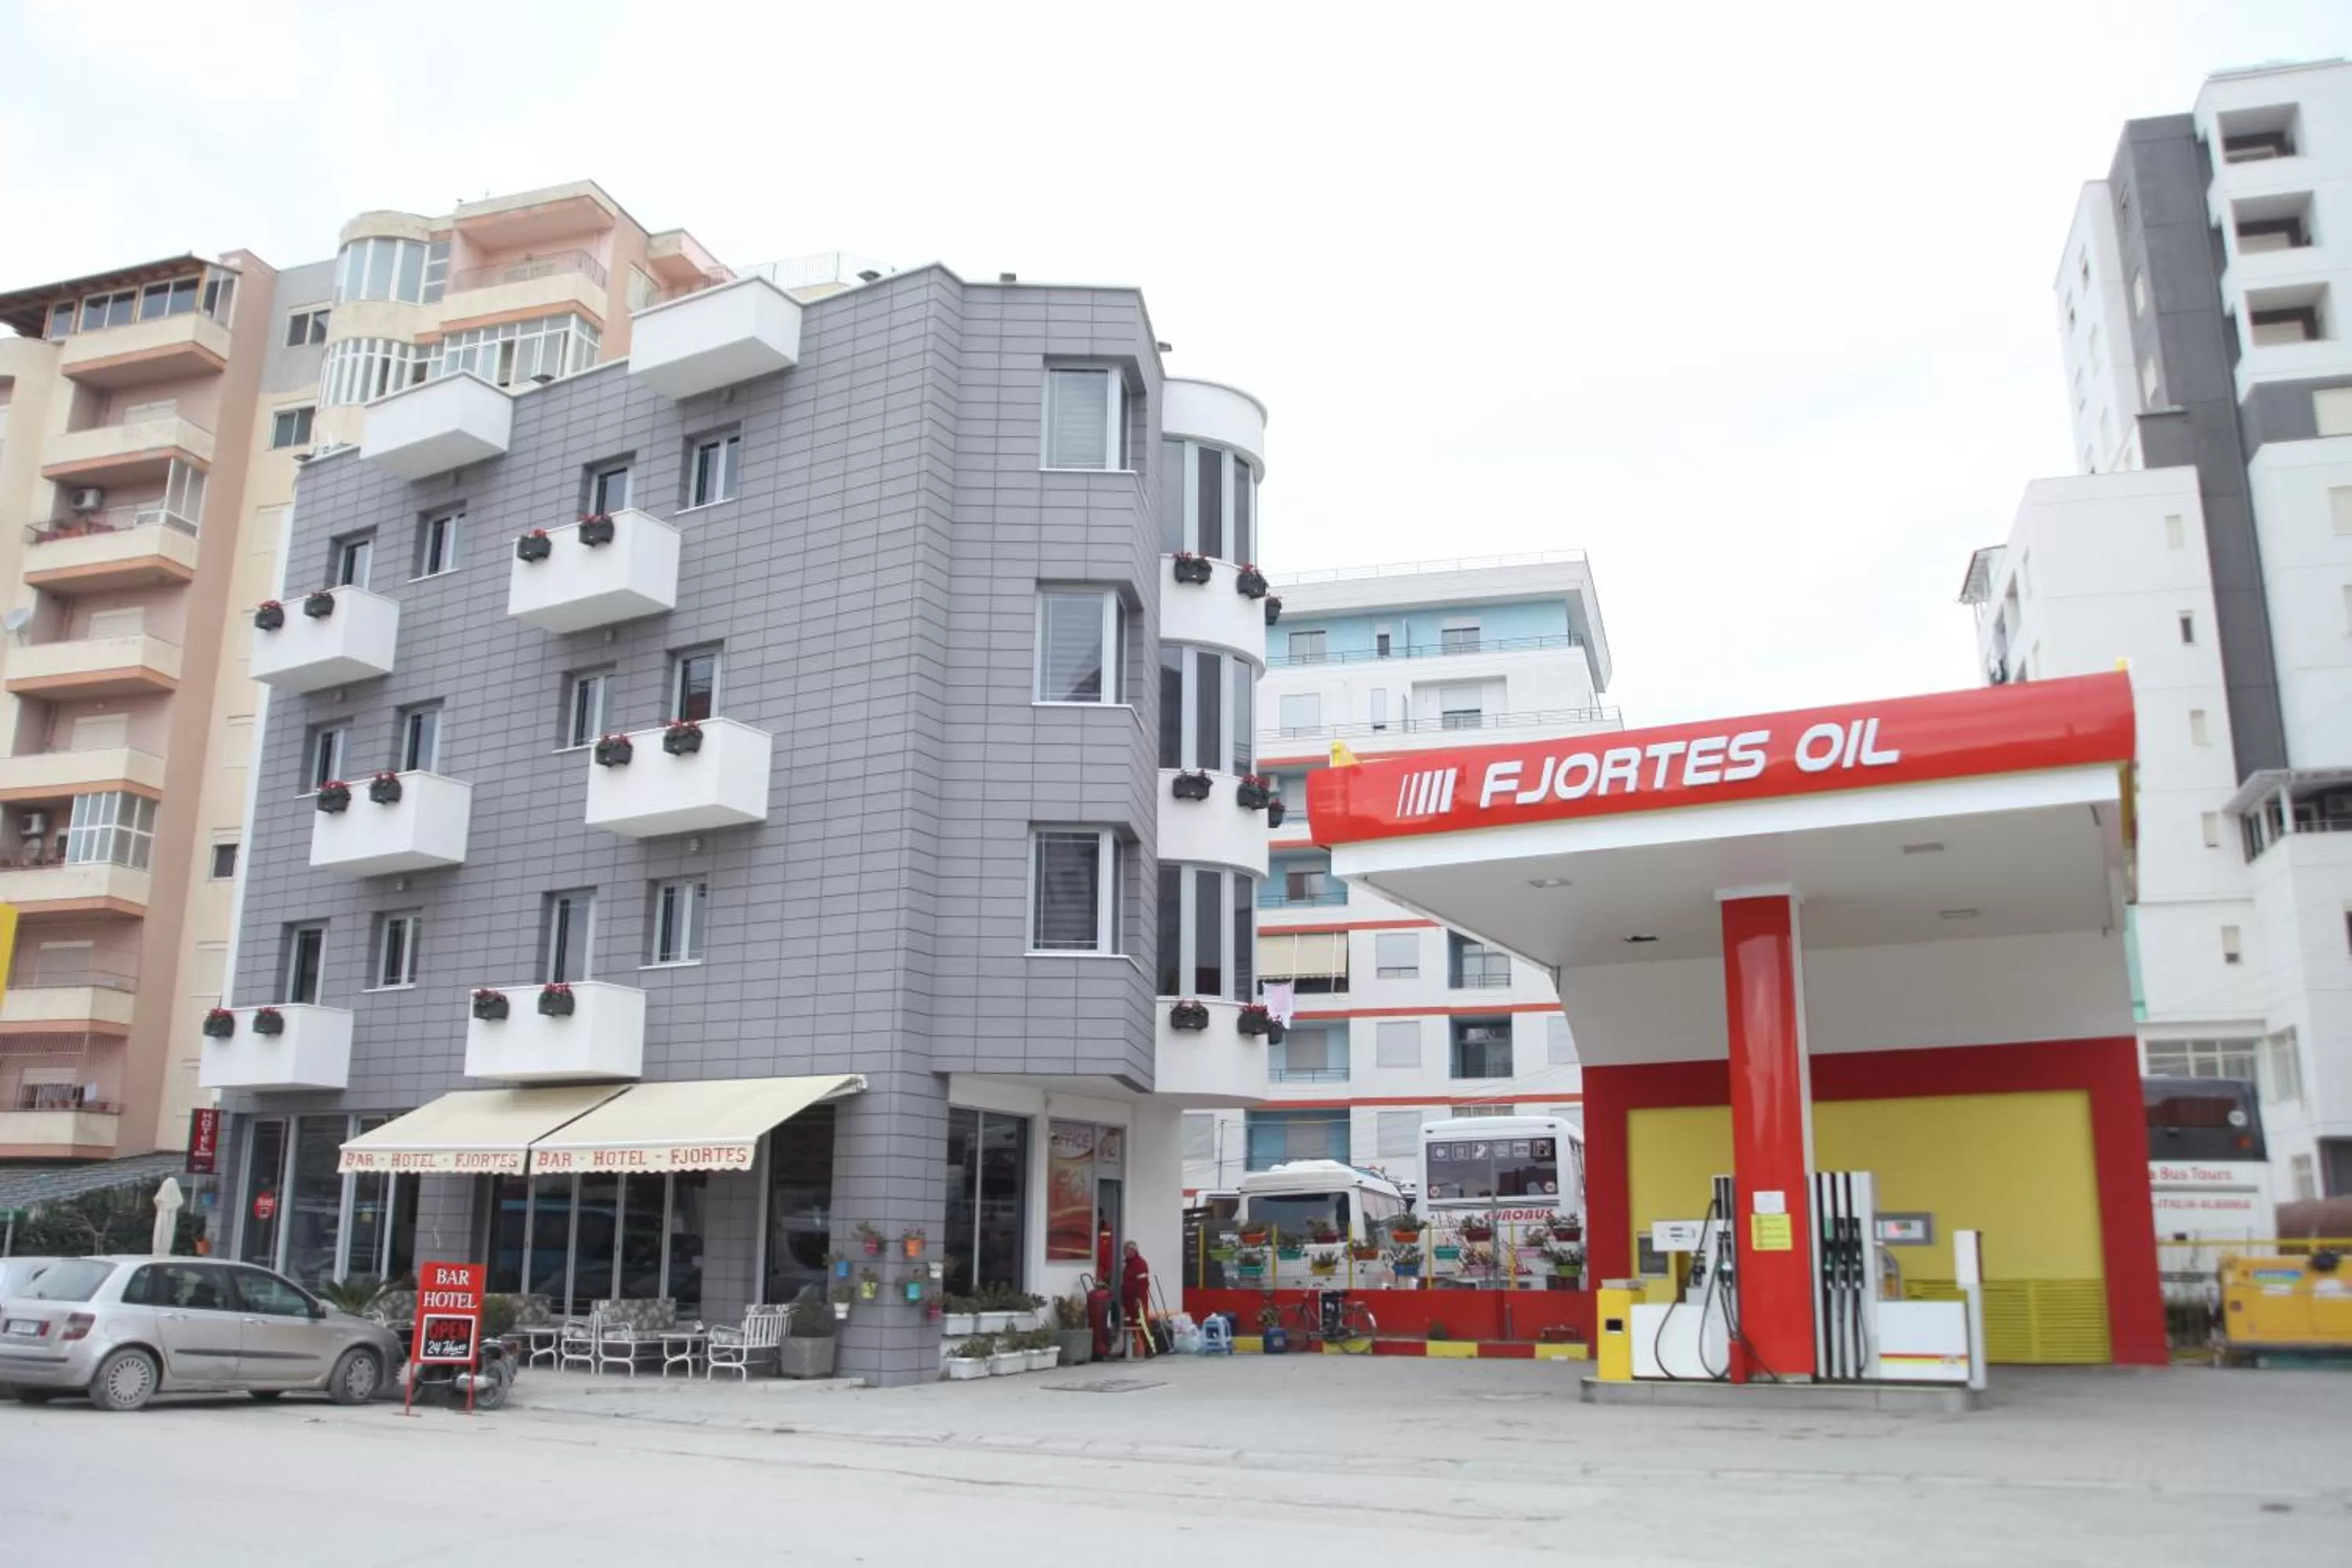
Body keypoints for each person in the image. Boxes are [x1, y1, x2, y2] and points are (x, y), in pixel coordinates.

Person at [1119, 1240, 1154, 1359]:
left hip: (1138, 1300)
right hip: (1127, 1300)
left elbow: (1143, 1283)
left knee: (1143, 1324)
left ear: (1133, 1251)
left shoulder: (1140, 1264)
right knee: (1128, 1323)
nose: (1125, 1253)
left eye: (1127, 1250)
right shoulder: (1127, 1265)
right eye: (1124, 1251)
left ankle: (1150, 1348)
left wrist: (1139, 1298)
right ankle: (1127, 1349)